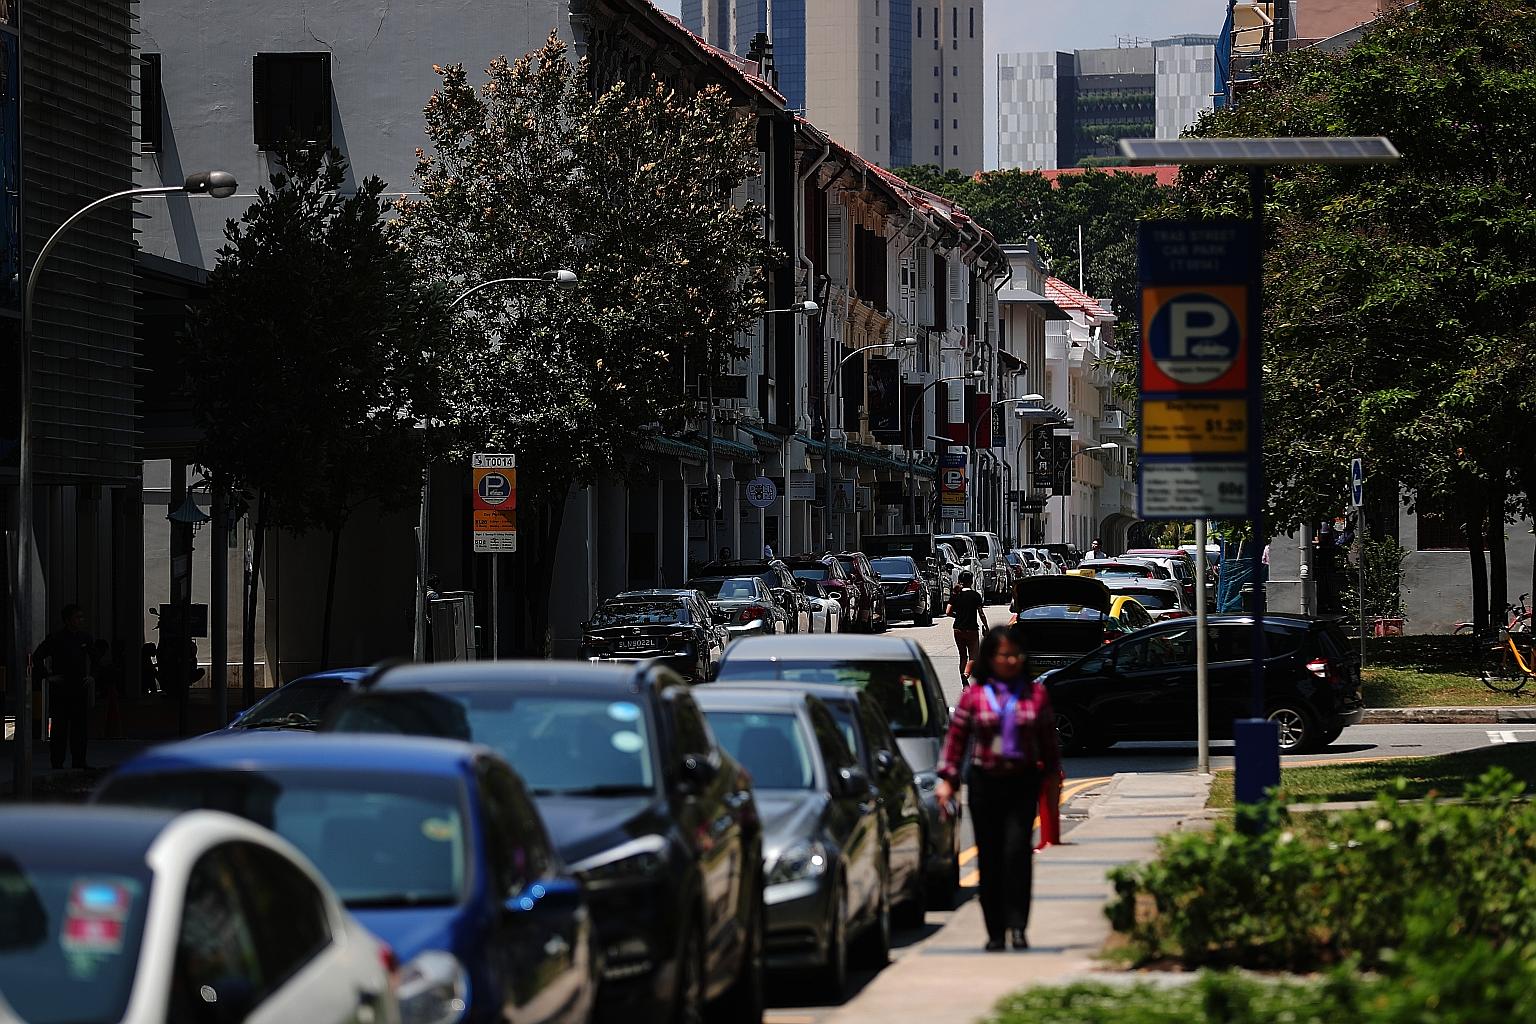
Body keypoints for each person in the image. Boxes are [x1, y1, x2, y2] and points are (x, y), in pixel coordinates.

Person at [934, 624, 1061, 952]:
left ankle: (1018, 926)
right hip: (985, 783)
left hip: (1022, 783)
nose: (1011, 661)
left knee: (1017, 853)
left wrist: (1051, 777)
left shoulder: (1035, 694)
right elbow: (956, 741)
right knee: (989, 858)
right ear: (991, 658)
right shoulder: (975, 696)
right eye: (1004, 655)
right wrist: (948, 779)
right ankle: (994, 931)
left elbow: (1048, 741)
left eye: (1016, 655)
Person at [33, 603, 97, 770]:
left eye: (81, 617)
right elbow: (37, 656)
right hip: (61, 689)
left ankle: (79, 761)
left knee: (80, 728)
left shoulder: (85, 638)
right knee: (59, 729)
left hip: (79, 687)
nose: (80, 621)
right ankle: (57, 762)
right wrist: (48, 677)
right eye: (77, 617)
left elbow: (96, 658)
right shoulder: (56, 638)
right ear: (68, 620)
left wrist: (92, 677)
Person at [945, 571, 987, 687]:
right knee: (974, 656)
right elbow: (981, 614)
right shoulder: (975, 595)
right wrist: (986, 627)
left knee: (963, 656)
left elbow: (948, 612)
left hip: (957, 629)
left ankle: (964, 684)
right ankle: (967, 674)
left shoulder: (955, 594)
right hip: (971, 629)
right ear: (972, 581)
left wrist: (957, 616)